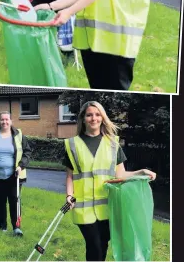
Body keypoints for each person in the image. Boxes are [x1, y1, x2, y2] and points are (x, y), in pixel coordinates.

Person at [63, 101, 156, 262]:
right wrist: (69, 195)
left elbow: (121, 175)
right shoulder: (72, 144)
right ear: (83, 118)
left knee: (103, 245)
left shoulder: (113, 143)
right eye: (89, 114)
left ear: (103, 118)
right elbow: (70, 175)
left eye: (97, 114)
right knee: (94, 245)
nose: (94, 118)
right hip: (83, 208)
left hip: (108, 207)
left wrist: (141, 171)